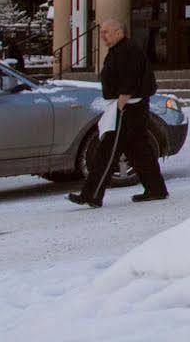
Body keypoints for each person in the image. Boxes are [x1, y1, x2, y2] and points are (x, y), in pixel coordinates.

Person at [68, 18, 168, 208]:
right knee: (139, 149)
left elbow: (130, 77)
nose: (102, 36)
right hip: (129, 106)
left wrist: (123, 99)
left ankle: (92, 194)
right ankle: (156, 189)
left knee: (107, 150)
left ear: (118, 32)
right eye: (102, 32)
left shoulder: (127, 50)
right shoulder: (120, 50)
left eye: (106, 32)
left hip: (127, 107)